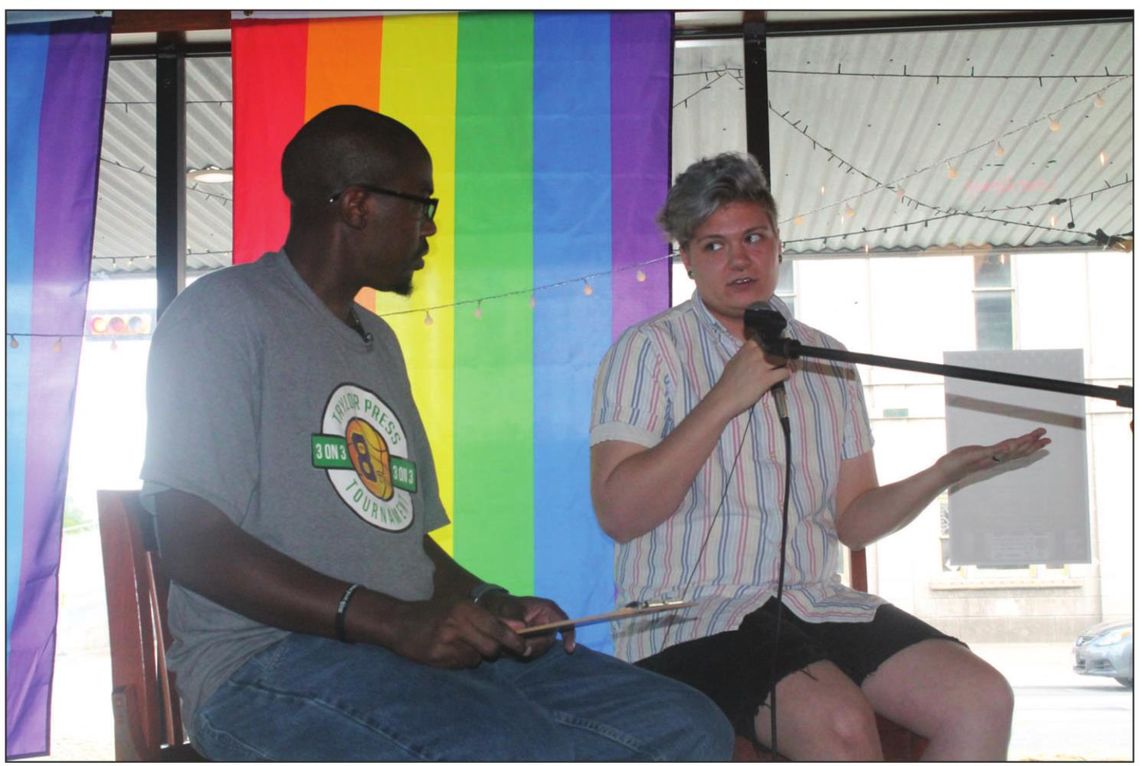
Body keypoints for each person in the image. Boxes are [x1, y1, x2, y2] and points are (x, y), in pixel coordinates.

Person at [140, 105, 734, 762]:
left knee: (684, 722)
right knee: (516, 748)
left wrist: (488, 600)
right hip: (262, 669)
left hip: (391, 652)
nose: (429, 227)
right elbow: (191, 541)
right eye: (421, 205)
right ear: (359, 205)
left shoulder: (378, 342)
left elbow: (408, 547)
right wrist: (393, 622)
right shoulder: (221, 315)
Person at [589, 152, 1051, 761]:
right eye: (714, 246)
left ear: (778, 244)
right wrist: (723, 399)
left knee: (981, 698)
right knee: (838, 721)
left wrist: (943, 472)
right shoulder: (649, 351)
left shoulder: (828, 356)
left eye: (754, 237)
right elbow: (620, 514)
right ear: (687, 261)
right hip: (692, 616)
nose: (740, 259)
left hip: (813, 601)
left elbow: (854, 520)